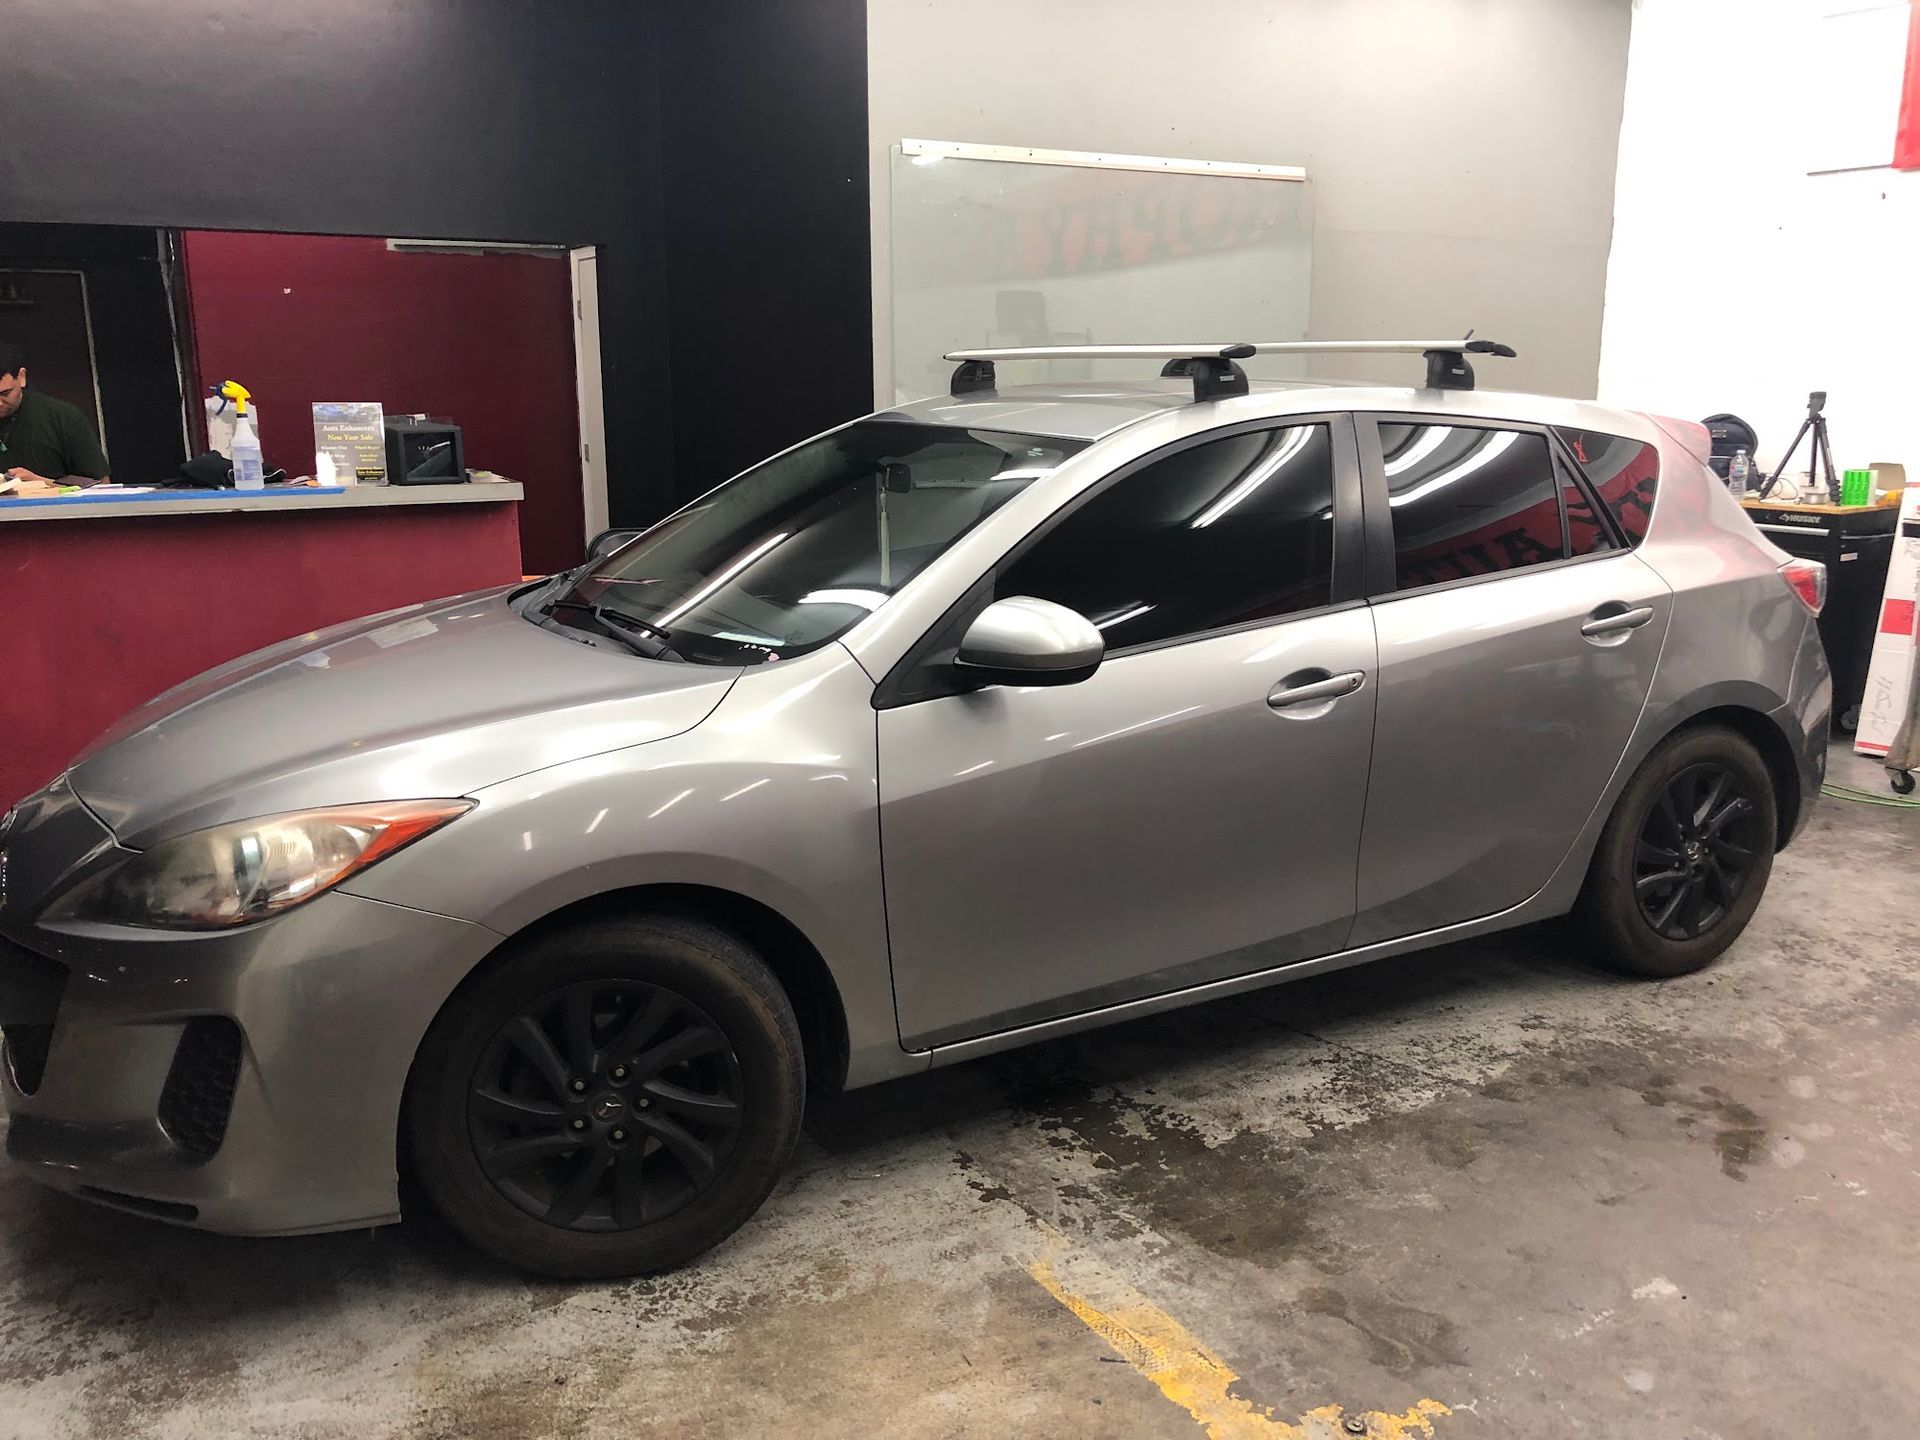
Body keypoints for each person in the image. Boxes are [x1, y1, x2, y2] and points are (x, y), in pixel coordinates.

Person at [0, 341, 111, 493]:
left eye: (5, 394)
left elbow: (102, 488)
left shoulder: (63, 417)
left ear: (21, 377)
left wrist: (44, 484)